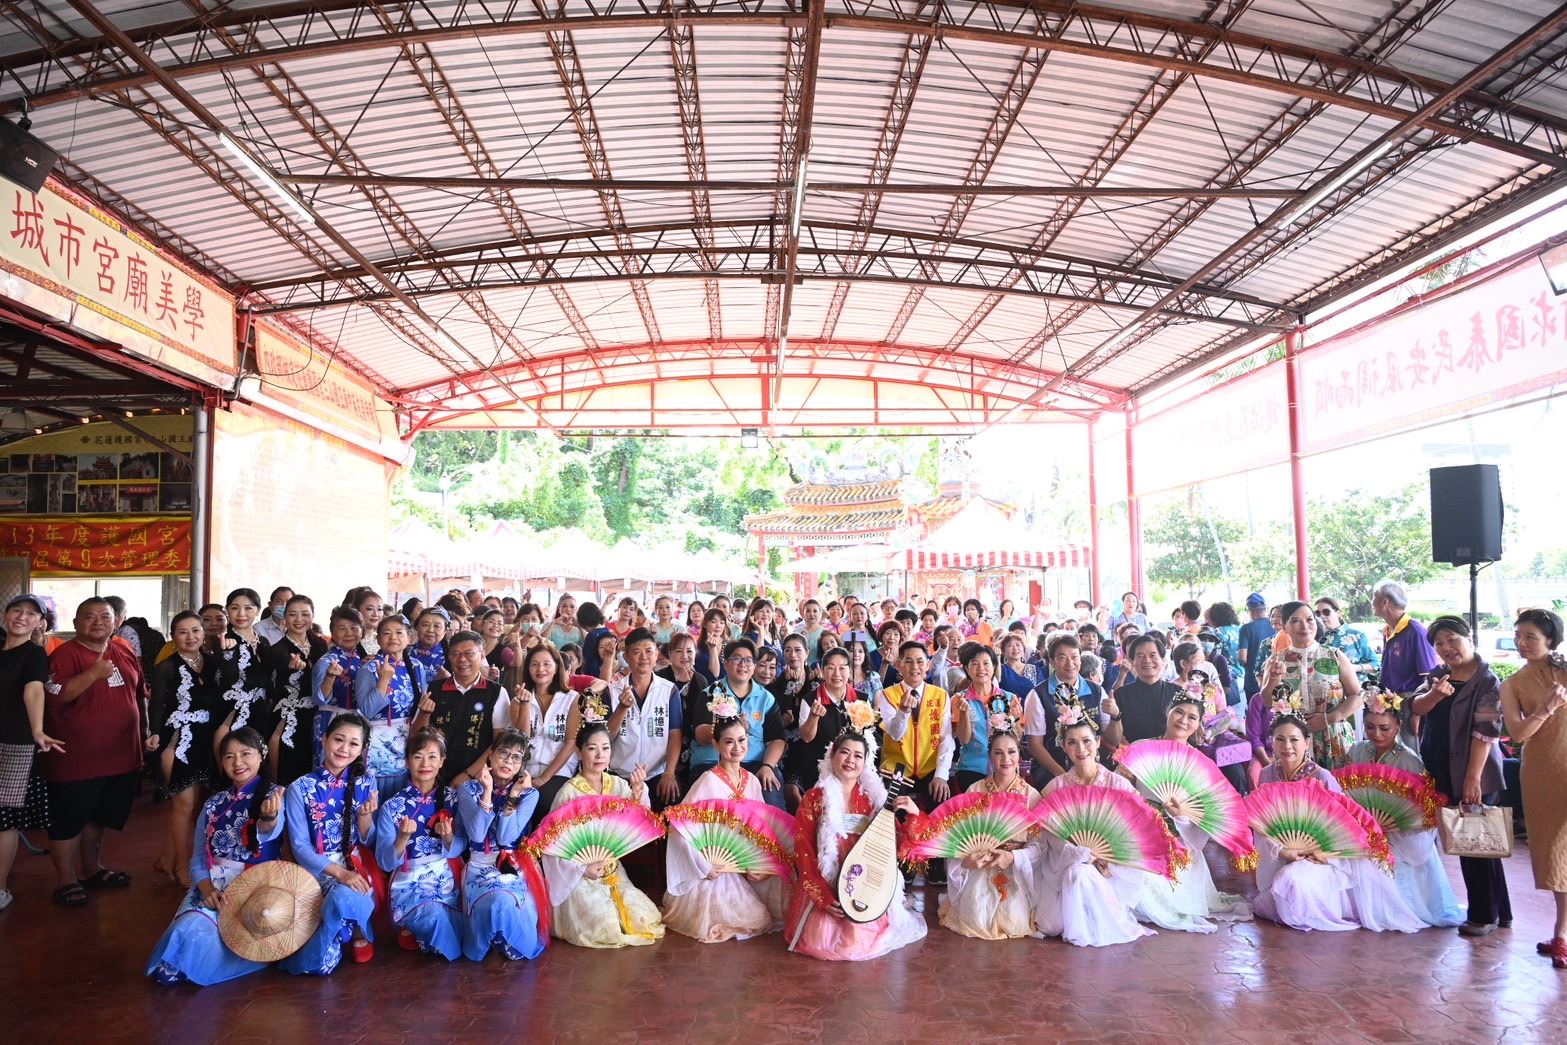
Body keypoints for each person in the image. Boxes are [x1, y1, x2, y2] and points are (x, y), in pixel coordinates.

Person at [1252, 699, 1421, 933]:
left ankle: (1316, 910)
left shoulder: (1322, 777)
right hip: (1279, 851)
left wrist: (1320, 852)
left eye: (1294, 740)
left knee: (1290, 880)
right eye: (1280, 739)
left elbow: (1343, 824)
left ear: (1307, 742)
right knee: (1271, 894)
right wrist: (1281, 850)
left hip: (1321, 855)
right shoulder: (1267, 774)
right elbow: (1261, 824)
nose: (1287, 746)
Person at [146, 727, 286, 985]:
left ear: (261, 756)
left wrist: (269, 817)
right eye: (229, 756)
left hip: (254, 888)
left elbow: (268, 832)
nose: (238, 762)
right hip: (212, 888)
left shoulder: (274, 795)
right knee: (187, 930)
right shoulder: (214, 803)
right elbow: (199, 857)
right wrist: (207, 888)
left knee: (204, 942)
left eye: (246, 754)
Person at [42, 597, 152, 908]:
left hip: (120, 756)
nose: (98, 622)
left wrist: (144, 732)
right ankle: (66, 880)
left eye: (105, 616)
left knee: (98, 817)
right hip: (76, 759)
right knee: (69, 820)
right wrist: (92, 674)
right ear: (75, 623)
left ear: (116, 621)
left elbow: (139, 694)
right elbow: (56, 697)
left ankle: (92, 869)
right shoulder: (63, 656)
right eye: (88, 617)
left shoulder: (124, 650)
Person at [785, 729, 927, 960]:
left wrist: (913, 815)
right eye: (845, 753)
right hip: (826, 883)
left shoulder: (873, 799)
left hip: (865, 886)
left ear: (866, 762)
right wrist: (821, 895)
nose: (851, 760)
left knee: (858, 942)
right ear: (832, 756)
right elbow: (804, 850)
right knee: (822, 941)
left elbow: (899, 847)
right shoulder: (813, 798)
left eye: (858, 755)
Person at [1410, 615, 1511, 937]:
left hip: (1473, 771)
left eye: (1453, 639)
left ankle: (1482, 916)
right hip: (1441, 767)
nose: (1446, 648)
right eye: (1439, 643)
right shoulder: (1440, 674)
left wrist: (1473, 780)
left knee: (1473, 844)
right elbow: (1416, 708)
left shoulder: (1488, 681)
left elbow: (1486, 734)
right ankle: (1501, 912)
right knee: (1482, 842)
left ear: (1468, 638)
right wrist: (1436, 694)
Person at [1120, 692, 1252, 933]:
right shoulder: (1141, 747)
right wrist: (1137, 805)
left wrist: (1181, 815)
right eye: (1179, 712)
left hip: (1179, 845)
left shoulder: (1201, 765)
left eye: (1192, 717)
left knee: (1148, 884)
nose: (1183, 720)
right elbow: (1118, 788)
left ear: (1199, 724)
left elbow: (1204, 826)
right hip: (1138, 833)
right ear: (1168, 712)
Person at [1031, 702, 1152, 947]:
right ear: (1064, 747)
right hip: (1067, 866)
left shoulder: (1119, 786)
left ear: (1097, 742)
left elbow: (1135, 833)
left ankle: (1097, 917)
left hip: (1110, 872)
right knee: (1050, 924)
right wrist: (1080, 853)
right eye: (1072, 742)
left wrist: (1107, 860)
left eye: (1086, 740)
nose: (1081, 748)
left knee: (1081, 876)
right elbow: (1049, 835)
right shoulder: (1055, 788)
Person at [1344, 686, 1463, 928]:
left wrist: (1393, 825)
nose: (1376, 734)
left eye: (1384, 728)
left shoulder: (1410, 761)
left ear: (1398, 726)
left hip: (1403, 836)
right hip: (1364, 832)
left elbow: (1425, 811)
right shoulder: (1356, 751)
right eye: (1370, 727)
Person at [663, 710, 785, 942]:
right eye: (729, 742)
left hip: (740, 863)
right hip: (713, 869)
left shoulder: (752, 780)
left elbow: (758, 830)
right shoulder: (708, 781)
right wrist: (704, 865)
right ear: (716, 745)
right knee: (753, 919)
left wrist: (755, 863)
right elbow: (680, 828)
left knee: (781, 886)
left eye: (742, 740)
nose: (737, 747)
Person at [541, 721, 664, 948]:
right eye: (592, 748)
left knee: (642, 919)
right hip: (578, 876)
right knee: (603, 927)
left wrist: (638, 792)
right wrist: (582, 869)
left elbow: (638, 819)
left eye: (605, 748)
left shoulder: (617, 784)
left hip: (612, 869)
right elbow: (552, 846)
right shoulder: (568, 793)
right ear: (579, 752)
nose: (600, 755)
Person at [281, 711, 380, 974]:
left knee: (344, 895)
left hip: (356, 863)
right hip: (318, 868)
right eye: (338, 740)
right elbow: (300, 847)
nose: (344, 749)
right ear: (323, 740)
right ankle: (349, 927)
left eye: (353, 744)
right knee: (340, 895)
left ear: (362, 749)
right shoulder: (299, 788)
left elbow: (369, 839)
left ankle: (348, 926)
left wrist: (365, 818)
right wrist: (340, 874)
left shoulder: (367, 782)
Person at [1499, 608, 1567, 969]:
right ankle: (1561, 934)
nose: (1522, 643)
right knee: (1557, 850)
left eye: (1530, 637)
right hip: (1543, 773)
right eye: (1518, 635)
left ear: (1550, 640)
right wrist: (1545, 708)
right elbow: (1517, 734)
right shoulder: (1511, 684)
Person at [925, 729, 1040, 940]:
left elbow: (1039, 847)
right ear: (990, 757)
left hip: (1015, 868)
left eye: (1011, 752)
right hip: (980, 866)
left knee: (1013, 917)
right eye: (998, 753)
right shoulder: (975, 790)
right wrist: (966, 862)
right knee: (977, 913)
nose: (1006, 759)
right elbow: (958, 839)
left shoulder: (1032, 796)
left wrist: (1013, 857)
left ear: (1019, 757)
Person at [149, 610, 230, 890]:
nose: (191, 637)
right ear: (173, 637)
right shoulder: (166, 667)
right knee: (183, 805)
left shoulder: (212, 662)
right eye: (183, 632)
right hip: (179, 740)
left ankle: (167, 859)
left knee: (193, 806)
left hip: (206, 740)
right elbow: (156, 704)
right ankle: (184, 867)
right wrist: (155, 734)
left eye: (196, 630)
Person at [456, 728, 547, 961]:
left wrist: (514, 794)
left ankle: (507, 939)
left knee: (505, 901)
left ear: (523, 764)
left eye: (516, 757)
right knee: (492, 901)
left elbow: (506, 839)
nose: (508, 761)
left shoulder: (529, 795)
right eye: (503, 753)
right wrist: (487, 792)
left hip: (511, 863)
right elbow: (476, 836)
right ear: (491, 755)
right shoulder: (468, 789)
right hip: (478, 864)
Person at [375, 727, 466, 960]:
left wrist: (448, 838)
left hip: (447, 878)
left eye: (432, 756)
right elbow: (385, 862)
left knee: (463, 928)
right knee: (435, 918)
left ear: (442, 761)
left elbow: (461, 845)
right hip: (410, 881)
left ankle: (416, 934)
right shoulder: (392, 807)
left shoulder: (453, 799)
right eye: (418, 756)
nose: (425, 763)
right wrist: (402, 839)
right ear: (407, 761)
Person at [0, 594, 60, 911]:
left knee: (3, 819)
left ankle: (0, 888)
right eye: (16, 610)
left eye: (30, 614)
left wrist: (37, 730)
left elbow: (34, 690)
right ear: (5, 615)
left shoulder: (34, 654)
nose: (22, 617)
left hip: (15, 744)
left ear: (40, 623)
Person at [1257, 601, 1362, 769]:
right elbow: (1267, 701)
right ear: (1284, 626)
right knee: (1300, 792)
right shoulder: (1275, 660)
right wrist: (1274, 679)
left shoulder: (1334, 656)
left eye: (1309, 619)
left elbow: (1357, 695)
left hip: (1333, 737)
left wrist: (1329, 718)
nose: (1304, 626)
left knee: (1336, 790)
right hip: (1293, 743)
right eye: (1295, 621)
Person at [875, 642, 955, 856]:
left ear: (928, 665)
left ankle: (935, 860)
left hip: (930, 766)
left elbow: (947, 738)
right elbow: (895, 733)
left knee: (942, 803)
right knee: (892, 806)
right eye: (908, 661)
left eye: (920, 661)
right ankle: (903, 861)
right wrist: (902, 711)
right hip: (897, 767)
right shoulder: (887, 695)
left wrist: (941, 775)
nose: (914, 667)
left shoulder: (940, 695)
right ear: (899, 665)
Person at [687, 639, 786, 808]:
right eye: (737, 659)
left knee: (771, 799)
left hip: (754, 763)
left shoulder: (766, 698)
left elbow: (777, 739)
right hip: (713, 762)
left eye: (748, 660)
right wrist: (730, 728)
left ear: (754, 666)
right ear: (725, 664)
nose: (743, 665)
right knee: (711, 811)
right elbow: (701, 734)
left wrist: (768, 766)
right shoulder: (710, 694)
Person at [410, 630, 510, 789]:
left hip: (476, 777)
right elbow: (415, 736)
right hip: (434, 775)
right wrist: (424, 713)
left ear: (482, 655)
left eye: (469, 653)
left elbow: (498, 742)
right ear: (449, 657)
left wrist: (468, 774)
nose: (462, 659)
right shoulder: (434, 689)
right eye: (455, 654)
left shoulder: (497, 692)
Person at [607, 628, 684, 808]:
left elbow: (675, 734)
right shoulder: (612, 691)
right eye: (636, 652)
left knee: (671, 811)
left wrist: (669, 773)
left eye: (649, 651)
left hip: (657, 774)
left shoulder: (669, 690)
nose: (644, 657)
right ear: (626, 657)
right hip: (620, 775)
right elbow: (606, 736)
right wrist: (621, 708)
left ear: (657, 654)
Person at [353, 614, 429, 797]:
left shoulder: (417, 667)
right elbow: (367, 710)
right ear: (378, 639)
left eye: (399, 633)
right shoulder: (369, 669)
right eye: (386, 633)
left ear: (409, 638)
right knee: (375, 796)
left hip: (409, 739)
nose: (393, 637)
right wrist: (383, 680)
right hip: (378, 741)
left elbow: (422, 704)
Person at [1024, 634, 1106, 781]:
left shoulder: (1097, 691)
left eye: (1074, 657)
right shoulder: (1038, 695)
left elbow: (1110, 737)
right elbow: (1034, 745)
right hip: (1053, 773)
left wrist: (1116, 716)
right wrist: (1064, 777)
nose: (1070, 663)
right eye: (1062, 658)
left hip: (1093, 772)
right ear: (1052, 662)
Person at [265, 594, 327, 785]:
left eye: (304, 614)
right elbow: (280, 668)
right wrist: (293, 666)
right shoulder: (278, 649)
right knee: (289, 772)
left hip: (317, 716)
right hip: (289, 717)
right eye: (293, 614)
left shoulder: (320, 644)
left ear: (313, 616)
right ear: (285, 617)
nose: (299, 620)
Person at [951, 644, 1022, 794]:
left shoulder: (1009, 698)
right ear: (966, 669)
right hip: (972, 767)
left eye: (986, 663)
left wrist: (1013, 719)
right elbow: (963, 740)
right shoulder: (959, 699)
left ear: (994, 666)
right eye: (974, 664)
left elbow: (1018, 737)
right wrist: (964, 715)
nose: (981, 668)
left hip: (1005, 764)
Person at [215, 588, 274, 751]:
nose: (241, 614)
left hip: (260, 711)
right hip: (232, 712)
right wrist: (227, 653)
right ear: (227, 611)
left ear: (258, 611)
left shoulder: (263, 642)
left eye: (248, 608)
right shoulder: (224, 640)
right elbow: (229, 679)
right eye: (234, 608)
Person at [1372, 580, 1438, 726]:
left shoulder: (1415, 630)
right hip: (1389, 701)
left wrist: (1418, 713)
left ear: (1385, 602)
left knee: (1409, 747)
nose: (1371, 602)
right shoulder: (1388, 629)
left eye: (1374, 597)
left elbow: (1429, 674)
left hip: (1409, 701)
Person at [1101, 634, 1178, 751]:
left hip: (1170, 755)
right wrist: (1115, 717)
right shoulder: (1121, 695)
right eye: (1140, 656)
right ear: (1132, 661)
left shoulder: (1177, 693)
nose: (1147, 660)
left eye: (1153, 655)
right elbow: (1112, 741)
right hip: (1133, 758)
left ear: (1163, 660)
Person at [1315, 597, 1381, 680]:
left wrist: (1354, 668)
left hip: (1354, 687)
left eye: (1326, 612)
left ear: (1338, 613)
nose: (1322, 616)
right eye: (1317, 614)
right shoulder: (1316, 638)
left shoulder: (1357, 635)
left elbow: (1376, 664)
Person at [1237, 593, 1274, 699]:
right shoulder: (1276, 625)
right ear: (1265, 609)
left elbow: (1242, 658)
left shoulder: (1246, 629)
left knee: (1255, 712)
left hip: (1253, 681)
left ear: (1250, 611)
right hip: (1273, 677)